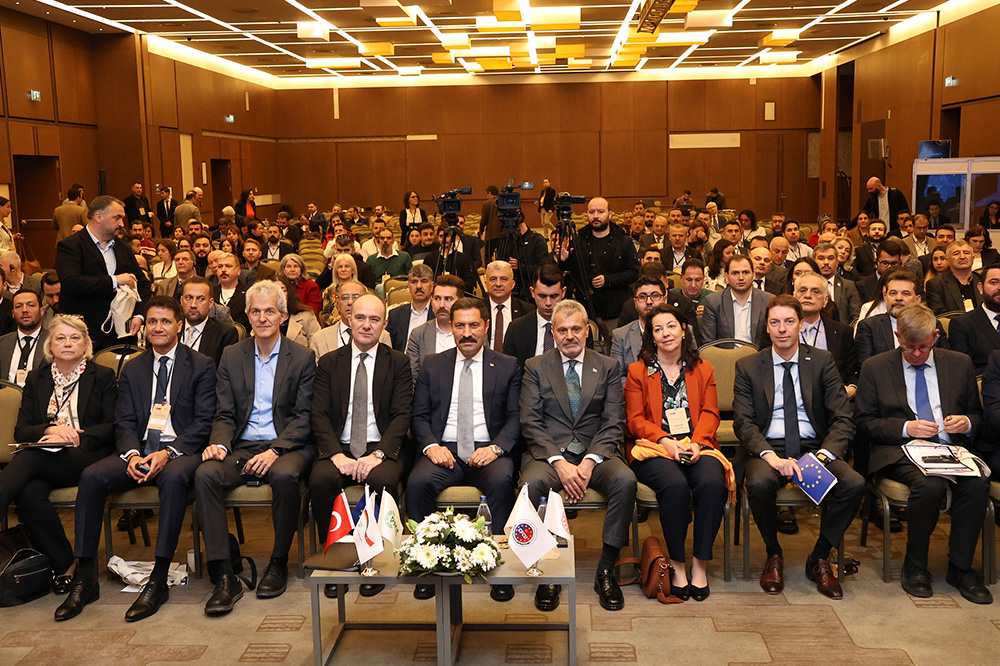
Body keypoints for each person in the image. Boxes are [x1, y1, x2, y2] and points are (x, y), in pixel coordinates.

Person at [55, 296, 217, 622]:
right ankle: (85, 577)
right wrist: (131, 454)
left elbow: (204, 422)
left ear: (179, 326)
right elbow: (125, 420)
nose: (158, 328)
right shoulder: (133, 368)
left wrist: (167, 453)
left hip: (180, 450)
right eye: (152, 322)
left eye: (165, 321)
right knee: (92, 476)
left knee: (171, 479)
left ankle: (158, 579)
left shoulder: (201, 365)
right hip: (139, 449)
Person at [856, 303, 991, 604]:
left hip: (950, 449)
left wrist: (966, 422)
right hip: (900, 451)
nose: (917, 354)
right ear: (897, 336)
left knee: (976, 485)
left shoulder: (959, 363)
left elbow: (977, 415)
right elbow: (863, 423)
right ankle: (915, 565)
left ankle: (960, 567)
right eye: (909, 348)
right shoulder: (876, 367)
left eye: (924, 347)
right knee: (928, 486)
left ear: (936, 335)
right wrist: (906, 427)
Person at [196, 280, 317, 614]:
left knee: (284, 477)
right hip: (243, 445)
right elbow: (223, 413)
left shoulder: (303, 357)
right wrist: (219, 444)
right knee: (205, 474)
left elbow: (304, 416)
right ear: (247, 315)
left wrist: (276, 450)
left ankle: (278, 562)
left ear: (283, 316)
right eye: (256, 311)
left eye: (270, 311)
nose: (263, 317)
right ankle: (224, 574)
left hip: (288, 446)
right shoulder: (232, 356)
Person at [734, 295, 864, 599]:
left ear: (801, 325)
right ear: (766, 328)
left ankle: (819, 556)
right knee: (760, 482)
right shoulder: (749, 366)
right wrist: (772, 457)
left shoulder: (821, 361)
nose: (782, 329)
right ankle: (774, 553)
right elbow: (744, 423)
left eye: (789, 321)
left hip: (813, 447)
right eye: (775, 322)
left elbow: (843, 417)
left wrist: (820, 457)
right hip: (768, 447)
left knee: (854, 484)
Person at [520, 299, 636, 612]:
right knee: (530, 486)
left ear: (587, 331)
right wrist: (559, 462)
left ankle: (606, 570)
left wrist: (587, 462)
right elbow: (530, 422)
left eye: (575, 329)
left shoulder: (607, 366)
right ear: (553, 334)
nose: (569, 336)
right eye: (562, 330)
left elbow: (614, 421)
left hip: (594, 453)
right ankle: (547, 571)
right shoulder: (535, 366)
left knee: (625, 481)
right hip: (549, 455)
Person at [409, 297, 521, 602]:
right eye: (460, 326)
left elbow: (515, 417)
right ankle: (425, 564)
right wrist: (432, 446)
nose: (467, 333)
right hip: (444, 450)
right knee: (417, 483)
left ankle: (498, 567)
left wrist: (497, 448)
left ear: (486, 327)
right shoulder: (433, 364)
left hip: (488, 450)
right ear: (451, 327)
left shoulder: (507, 365)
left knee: (501, 482)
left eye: (474, 325)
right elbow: (418, 416)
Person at [0, 316, 116, 598]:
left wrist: (76, 435)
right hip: (45, 455)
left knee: (29, 460)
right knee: (28, 493)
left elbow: (113, 424)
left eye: (75, 338)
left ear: (86, 343)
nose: (67, 343)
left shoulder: (102, 376)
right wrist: (51, 429)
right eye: (60, 338)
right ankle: (66, 564)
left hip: (86, 454)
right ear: (49, 345)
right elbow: (22, 429)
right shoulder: (36, 379)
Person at [310, 294, 412, 599]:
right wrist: (336, 455)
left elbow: (401, 415)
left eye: (374, 319)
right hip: (339, 446)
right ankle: (336, 560)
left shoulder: (398, 362)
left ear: (385, 323)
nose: (366, 325)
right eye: (360, 318)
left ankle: (374, 561)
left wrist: (378, 454)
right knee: (321, 480)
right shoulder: (330, 362)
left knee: (382, 480)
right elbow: (319, 413)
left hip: (382, 445)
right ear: (348, 318)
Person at [625, 304, 728, 601]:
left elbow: (710, 412)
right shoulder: (638, 372)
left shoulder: (702, 368)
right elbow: (634, 420)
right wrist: (665, 440)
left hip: (697, 444)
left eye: (671, 326)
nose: (665, 333)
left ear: (684, 330)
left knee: (712, 482)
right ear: (651, 337)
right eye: (658, 329)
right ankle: (678, 565)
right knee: (675, 486)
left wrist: (696, 442)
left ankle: (700, 564)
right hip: (654, 448)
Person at [55, 195, 150, 351]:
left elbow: (144, 284)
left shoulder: (123, 248)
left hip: (122, 335)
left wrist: (139, 315)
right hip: (85, 334)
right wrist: (114, 281)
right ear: (98, 217)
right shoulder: (71, 246)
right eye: (117, 218)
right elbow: (71, 282)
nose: (122, 224)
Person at [557, 197, 640, 332]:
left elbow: (634, 272)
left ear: (610, 214)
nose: (596, 216)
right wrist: (565, 260)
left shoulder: (623, 241)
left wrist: (607, 280)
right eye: (591, 212)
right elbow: (570, 273)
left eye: (600, 212)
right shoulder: (579, 239)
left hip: (615, 310)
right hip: (586, 309)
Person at [855, 269, 947, 367]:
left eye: (905, 293)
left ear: (917, 300)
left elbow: (944, 362)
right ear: (885, 297)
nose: (898, 298)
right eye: (893, 293)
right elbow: (866, 368)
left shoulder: (933, 325)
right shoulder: (869, 327)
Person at [792, 272, 859, 397]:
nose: (807, 295)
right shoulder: (780, 330)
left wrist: (851, 388)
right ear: (794, 296)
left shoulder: (842, 332)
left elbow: (852, 373)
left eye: (815, 291)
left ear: (825, 300)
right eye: (802, 290)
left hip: (832, 399)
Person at [700, 255, 768, 347]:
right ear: (726, 277)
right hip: (725, 358)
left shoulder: (768, 301)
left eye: (745, 272)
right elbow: (709, 343)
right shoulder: (713, 302)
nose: (741, 277)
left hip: (759, 358)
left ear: (754, 275)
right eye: (735, 273)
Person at [405, 275, 463, 382]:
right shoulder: (418, 334)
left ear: (460, 302)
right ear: (431, 302)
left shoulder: (472, 333)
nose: (441, 305)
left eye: (448, 299)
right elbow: (412, 377)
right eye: (437, 299)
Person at [948, 264, 1000, 374]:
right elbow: (964, 371)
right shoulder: (962, 324)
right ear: (980, 288)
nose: (999, 287)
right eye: (994, 282)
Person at [610, 277, 665, 380]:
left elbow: (690, 371)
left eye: (655, 295)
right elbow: (616, 378)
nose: (649, 301)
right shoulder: (620, 336)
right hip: (635, 393)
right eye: (643, 296)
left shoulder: (683, 332)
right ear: (635, 302)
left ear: (665, 299)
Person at [180, 276, 238, 366]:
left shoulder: (225, 334)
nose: (193, 305)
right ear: (182, 301)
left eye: (201, 299)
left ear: (210, 303)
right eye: (189, 298)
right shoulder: (170, 329)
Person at [482, 260, 532, 353]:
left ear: (513, 284)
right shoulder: (477, 309)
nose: (498, 284)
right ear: (486, 283)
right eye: (493, 279)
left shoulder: (527, 310)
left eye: (503, 279)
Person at [0, 290, 47, 385]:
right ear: (13, 314)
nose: (25, 310)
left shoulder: (54, 342)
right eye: (19, 306)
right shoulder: (2, 343)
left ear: (42, 311)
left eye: (31, 305)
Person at [925, 240, 982, 315]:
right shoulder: (936, 284)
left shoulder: (982, 280)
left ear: (973, 258)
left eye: (966, 253)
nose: (962, 257)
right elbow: (940, 314)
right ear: (948, 260)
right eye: (956, 254)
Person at [386, 263, 433, 352]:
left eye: (424, 281)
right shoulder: (395, 315)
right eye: (414, 282)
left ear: (432, 286)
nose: (419, 286)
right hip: (403, 363)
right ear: (409, 286)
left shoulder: (439, 314)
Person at [812, 242, 861, 326]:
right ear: (813, 262)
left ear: (837, 262)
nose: (826, 262)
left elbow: (855, 317)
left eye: (830, 258)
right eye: (821, 258)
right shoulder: (806, 286)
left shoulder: (848, 286)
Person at [276, 277, 321, 351]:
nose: (279, 294)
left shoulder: (307, 316)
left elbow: (318, 345)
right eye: (275, 290)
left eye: (283, 290)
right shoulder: (262, 318)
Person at [213, 252, 250, 331]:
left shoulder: (248, 293)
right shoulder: (210, 293)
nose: (223, 270)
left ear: (238, 271)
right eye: (220, 266)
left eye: (228, 266)